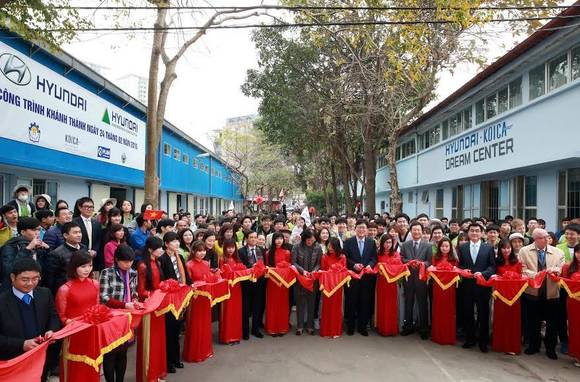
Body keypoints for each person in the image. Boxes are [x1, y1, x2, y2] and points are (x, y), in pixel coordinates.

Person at [0, 258, 60, 381]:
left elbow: (53, 316)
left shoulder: (45, 294)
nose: (30, 283)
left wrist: (51, 330)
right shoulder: (2, 301)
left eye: (35, 278)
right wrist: (22, 344)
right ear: (13, 277)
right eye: (25, 279)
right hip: (13, 361)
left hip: (40, 358)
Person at [518, 228, 564, 359]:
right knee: (533, 321)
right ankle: (533, 345)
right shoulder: (524, 251)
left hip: (552, 293)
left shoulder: (557, 252)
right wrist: (537, 274)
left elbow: (562, 268)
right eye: (543, 237)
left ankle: (551, 348)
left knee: (552, 323)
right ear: (536, 239)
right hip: (532, 292)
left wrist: (554, 270)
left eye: (547, 237)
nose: (547, 239)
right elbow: (522, 270)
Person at [55, 251, 100, 382]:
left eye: (90, 266)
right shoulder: (65, 289)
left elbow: (97, 308)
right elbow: (62, 317)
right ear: (74, 267)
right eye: (83, 266)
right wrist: (77, 322)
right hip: (74, 335)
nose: (87, 269)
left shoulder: (95, 284)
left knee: (92, 365)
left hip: (92, 332)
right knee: (75, 370)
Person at [99, 244, 140, 382]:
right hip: (112, 318)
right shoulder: (107, 273)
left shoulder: (133, 272)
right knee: (111, 353)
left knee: (123, 352)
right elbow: (103, 297)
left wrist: (134, 299)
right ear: (117, 259)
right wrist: (123, 304)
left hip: (127, 316)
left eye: (131, 261)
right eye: (125, 261)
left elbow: (134, 291)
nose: (128, 264)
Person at [457, 223, 495, 352]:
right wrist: (463, 270)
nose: (474, 233)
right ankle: (470, 339)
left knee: (483, 314)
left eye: (477, 231)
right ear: (468, 233)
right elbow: (459, 265)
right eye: (472, 231)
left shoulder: (488, 248)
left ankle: (483, 341)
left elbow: (492, 267)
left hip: (482, 286)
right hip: (467, 286)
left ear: (482, 233)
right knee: (468, 313)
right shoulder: (462, 247)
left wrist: (483, 274)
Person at [136, 236, 167, 382]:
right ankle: (149, 375)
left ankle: (157, 373)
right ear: (150, 249)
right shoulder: (143, 265)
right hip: (149, 306)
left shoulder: (158, 262)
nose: (162, 250)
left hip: (158, 304)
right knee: (150, 341)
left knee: (158, 340)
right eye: (159, 248)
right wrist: (156, 294)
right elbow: (141, 291)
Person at [159, 231, 189, 373]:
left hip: (180, 297)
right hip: (169, 299)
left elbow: (185, 276)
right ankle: (168, 361)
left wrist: (189, 286)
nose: (177, 243)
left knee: (177, 329)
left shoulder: (179, 257)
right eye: (173, 241)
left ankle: (176, 359)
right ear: (166, 244)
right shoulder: (162, 259)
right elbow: (162, 280)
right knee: (169, 330)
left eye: (178, 240)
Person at [343, 220, 378, 336]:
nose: (361, 230)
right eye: (359, 227)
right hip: (352, 277)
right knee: (351, 301)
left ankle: (362, 327)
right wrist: (353, 265)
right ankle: (351, 327)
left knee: (365, 302)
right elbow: (345, 258)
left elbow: (374, 258)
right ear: (355, 229)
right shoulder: (348, 242)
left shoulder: (371, 242)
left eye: (363, 228)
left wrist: (370, 265)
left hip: (367, 277)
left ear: (367, 230)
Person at [184, 240, 216, 362]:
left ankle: (205, 350)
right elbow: (188, 283)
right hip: (195, 298)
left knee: (206, 324)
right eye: (199, 251)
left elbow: (209, 278)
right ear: (193, 251)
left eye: (203, 250)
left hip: (206, 297)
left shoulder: (206, 263)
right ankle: (194, 353)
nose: (202, 253)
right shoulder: (189, 265)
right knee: (195, 325)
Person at [400, 221, 432, 339]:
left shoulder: (428, 246)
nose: (416, 232)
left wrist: (421, 264)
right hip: (408, 278)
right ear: (411, 230)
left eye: (418, 230)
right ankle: (408, 326)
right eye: (414, 230)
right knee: (408, 302)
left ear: (422, 231)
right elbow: (401, 259)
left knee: (422, 303)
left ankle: (423, 328)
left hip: (421, 279)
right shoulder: (405, 245)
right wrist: (409, 262)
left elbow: (430, 262)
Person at [491, 239, 523, 355]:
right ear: (500, 249)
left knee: (513, 320)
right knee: (500, 319)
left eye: (508, 248)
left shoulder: (518, 262)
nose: (506, 250)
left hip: (515, 296)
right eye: (503, 248)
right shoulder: (496, 262)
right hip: (500, 295)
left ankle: (512, 346)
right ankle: (499, 344)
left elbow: (521, 278)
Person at [0, 217, 48, 289]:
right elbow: (9, 270)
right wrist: (27, 249)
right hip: (13, 288)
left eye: (38, 229)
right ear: (22, 232)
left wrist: (47, 250)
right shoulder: (11, 246)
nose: (37, 233)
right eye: (33, 230)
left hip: (34, 286)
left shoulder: (37, 245)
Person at [292, 229, 322, 335]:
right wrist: (302, 271)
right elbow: (294, 262)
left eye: (312, 240)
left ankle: (310, 326)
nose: (310, 242)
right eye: (308, 240)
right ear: (304, 238)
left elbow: (319, 263)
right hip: (300, 278)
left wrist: (314, 271)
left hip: (312, 279)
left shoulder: (318, 247)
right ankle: (300, 326)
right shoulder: (296, 247)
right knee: (300, 302)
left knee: (311, 302)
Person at [44, 222, 86, 295]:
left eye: (80, 232)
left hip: (83, 286)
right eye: (75, 233)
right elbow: (51, 279)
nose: (79, 235)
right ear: (65, 235)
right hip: (66, 291)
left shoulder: (84, 248)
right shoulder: (56, 254)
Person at [430, 237, 459, 345]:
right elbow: (431, 271)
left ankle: (448, 336)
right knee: (438, 310)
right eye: (442, 246)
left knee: (449, 311)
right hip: (437, 287)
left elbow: (457, 272)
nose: (444, 248)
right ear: (439, 247)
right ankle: (438, 335)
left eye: (447, 246)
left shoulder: (454, 260)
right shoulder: (435, 258)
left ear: (450, 247)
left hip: (449, 289)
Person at [556, 223, 579, 354]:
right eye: (567, 233)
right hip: (564, 287)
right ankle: (564, 341)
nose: (569, 236)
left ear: (578, 235)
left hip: (578, 289)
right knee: (562, 315)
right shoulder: (559, 247)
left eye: (572, 233)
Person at [238, 230, 266, 339]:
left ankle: (255, 329)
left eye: (255, 237)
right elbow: (240, 266)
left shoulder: (261, 250)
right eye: (251, 237)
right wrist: (251, 268)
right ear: (246, 239)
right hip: (247, 283)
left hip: (260, 282)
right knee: (245, 307)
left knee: (257, 307)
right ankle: (245, 331)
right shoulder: (241, 251)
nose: (254, 239)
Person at [319, 237, 347, 338]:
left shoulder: (342, 257)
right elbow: (322, 271)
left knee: (337, 308)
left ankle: (335, 330)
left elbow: (344, 271)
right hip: (327, 286)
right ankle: (326, 330)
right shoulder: (324, 257)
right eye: (328, 246)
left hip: (338, 286)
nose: (330, 248)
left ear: (337, 246)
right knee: (326, 307)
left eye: (332, 246)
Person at [264, 232, 292, 336]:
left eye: (281, 238)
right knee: (272, 304)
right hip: (272, 282)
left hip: (284, 282)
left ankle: (282, 327)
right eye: (277, 238)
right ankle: (272, 328)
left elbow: (290, 267)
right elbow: (267, 267)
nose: (279, 240)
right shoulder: (268, 253)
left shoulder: (287, 252)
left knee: (283, 304)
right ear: (273, 240)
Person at [375, 235, 402, 337]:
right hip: (381, 282)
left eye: (390, 242)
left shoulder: (396, 254)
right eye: (386, 242)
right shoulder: (378, 254)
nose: (388, 245)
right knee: (382, 304)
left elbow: (399, 267)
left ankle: (391, 328)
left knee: (391, 305)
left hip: (392, 283)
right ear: (382, 243)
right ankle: (382, 328)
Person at [219, 239, 244, 344]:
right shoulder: (221, 259)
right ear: (224, 248)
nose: (230, 250)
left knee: (236, 312)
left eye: (232, 247)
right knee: (227, 312)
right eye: (228, 247)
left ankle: (235, 335)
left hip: (237, 288)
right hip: (227, 288)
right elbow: (220, 275)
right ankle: (227, 337)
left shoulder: (236, 258)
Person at [562, 244, 580, 367]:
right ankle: (577, 355)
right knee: (575, 328)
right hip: (574, 302)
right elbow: (562, 281)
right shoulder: (568, 266)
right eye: (578, 252)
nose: (579, 255)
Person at [72, 197, 101, 268]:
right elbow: (74, 239)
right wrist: (86, 251)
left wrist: (95, 250)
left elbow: (98, 239)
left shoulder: (96, 222)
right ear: (80, 208)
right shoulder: (74, 222)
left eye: (91, 207)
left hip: (94, 257)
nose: (89, 209)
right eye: (86, 206)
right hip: (79, 255)